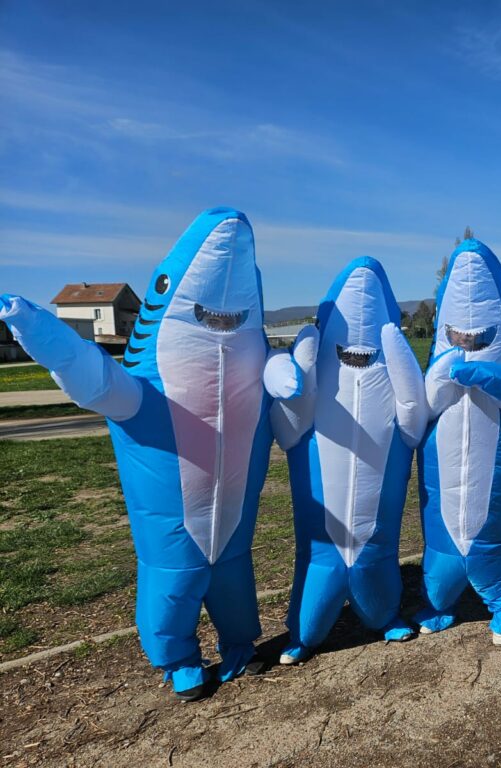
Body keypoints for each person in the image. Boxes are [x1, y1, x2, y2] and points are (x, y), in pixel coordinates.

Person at [1, 208, 300, 700]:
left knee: (233, 578)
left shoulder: (257, 372)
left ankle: (239, 644)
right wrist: (34, 326)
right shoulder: (144, 388)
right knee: (171, 585)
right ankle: (179, 659)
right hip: (171, 529)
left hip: (234, 525)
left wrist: (282, 370)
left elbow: (283, 398)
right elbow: (89, 372)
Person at [267, 257, 427, 664]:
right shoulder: (316, 373)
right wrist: (295, 381)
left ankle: (384, 614)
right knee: (311, 609)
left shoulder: (392, 370)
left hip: (377, 541)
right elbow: (288, 431)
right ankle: (303, 633)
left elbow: (413, 426)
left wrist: (403, 364)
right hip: (321, 543)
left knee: (378, 570)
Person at [416, 238, 501, 646]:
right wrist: (444, 371)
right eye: (458, 338)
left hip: (492, 517)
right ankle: (438, 603)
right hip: (442, 520)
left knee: (494, 542)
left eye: (479, 339)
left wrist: (480, 374)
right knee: (440, 561)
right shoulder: (439, 371)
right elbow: (422, 407)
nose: (466, 345)